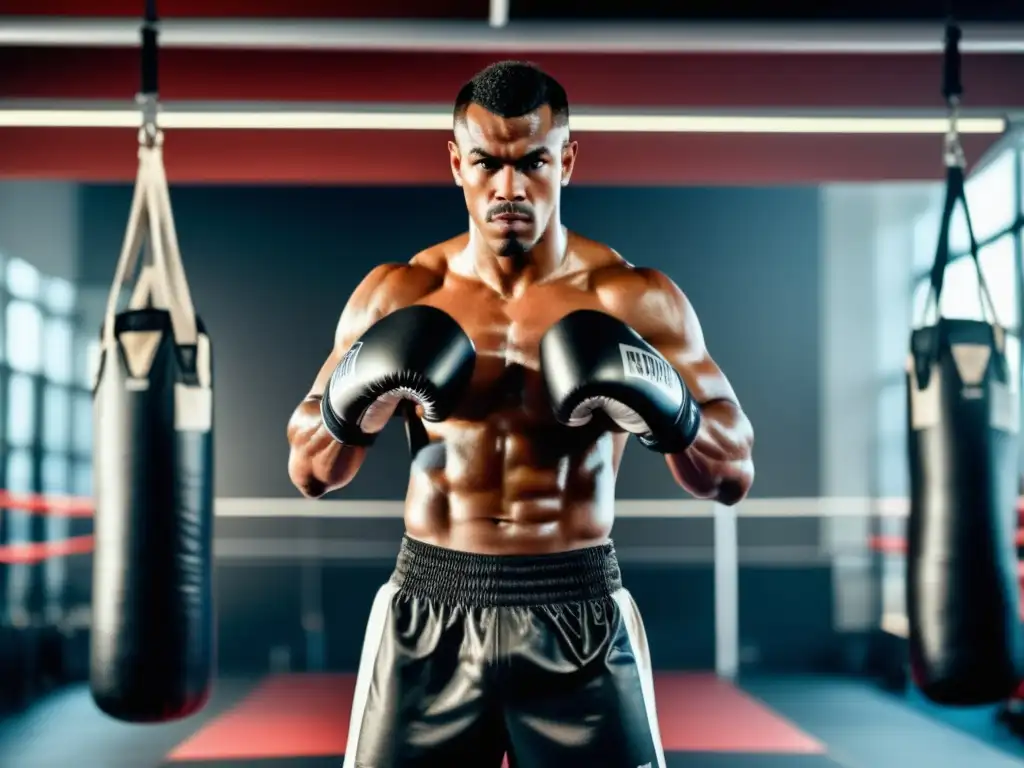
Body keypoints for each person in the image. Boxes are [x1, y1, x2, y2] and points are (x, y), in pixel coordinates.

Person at [286, 60, 755, 768]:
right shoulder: (400, 295)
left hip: (579, 615)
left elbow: (731, 474)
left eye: (533, 161)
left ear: (566, 159)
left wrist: (667, 403)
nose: (509, 188)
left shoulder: (630, 298)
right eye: (487, 164)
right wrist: (365, 388)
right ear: (456, 163)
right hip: (429, 614)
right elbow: (311, 470)